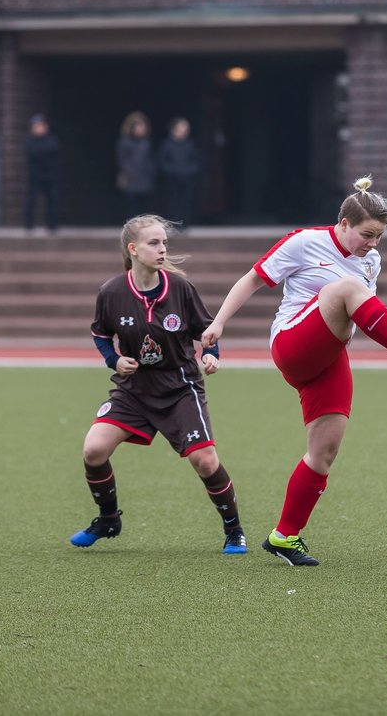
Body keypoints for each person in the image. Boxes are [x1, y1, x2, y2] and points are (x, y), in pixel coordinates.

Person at [201, 177, 387, 566]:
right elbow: (253, 279)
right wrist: (219, 323)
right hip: (292, 343)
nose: (372, 244)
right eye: (367, 234)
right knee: (344, 288)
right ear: (343, 223)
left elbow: (362, 308)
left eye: (379, 237)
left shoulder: (370, 260)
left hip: (329, 356)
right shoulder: (303, 241)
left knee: (324, 452)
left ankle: (284, 536)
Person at [69, 214, 247, 555]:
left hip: (180, 387)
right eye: (154, 243)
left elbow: (207, 330)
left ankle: (234, 529)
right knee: (94, 450)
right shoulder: (111, 291)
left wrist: (211, 354)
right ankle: (108, 519)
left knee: (205, 462)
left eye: (164, 242)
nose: (162, 249)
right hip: (134, 390)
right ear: (133, 249)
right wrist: (114, 360)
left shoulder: (180, 288)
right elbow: (101, 334)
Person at [157, 117, 201, 229]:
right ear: (174, 130)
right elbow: (162, 161)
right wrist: (173, 172)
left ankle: (185, 224)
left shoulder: (190, 144)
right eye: (181, 129)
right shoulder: (167, 144)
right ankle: (174, 224)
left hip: (187, 179)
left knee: (186, 202)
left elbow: (196, 162)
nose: (184, 132)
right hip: (171, 180)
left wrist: (188, 172)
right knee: (173, 203)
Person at [23, 113, 60, 234]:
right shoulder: (29, 140)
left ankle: (52, 225)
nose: (39, 128)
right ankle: (28, 226)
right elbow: (33, 153)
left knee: (52, 200)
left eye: (41, 125)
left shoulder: (51, 140)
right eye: (36, 126)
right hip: (35, 175)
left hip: (49, 175)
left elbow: (53, 150)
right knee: (31, 200)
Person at [115, 111, 155, 218]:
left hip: (145, 178)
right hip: (131, 179)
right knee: (131, 207)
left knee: (144, 207)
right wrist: (129, 171)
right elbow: (121, 159)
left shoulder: (147, 143)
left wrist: (150, 171)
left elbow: (150, 159)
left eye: (143, 127)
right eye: (138, 127)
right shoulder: (124, 142)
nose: (141, 130)